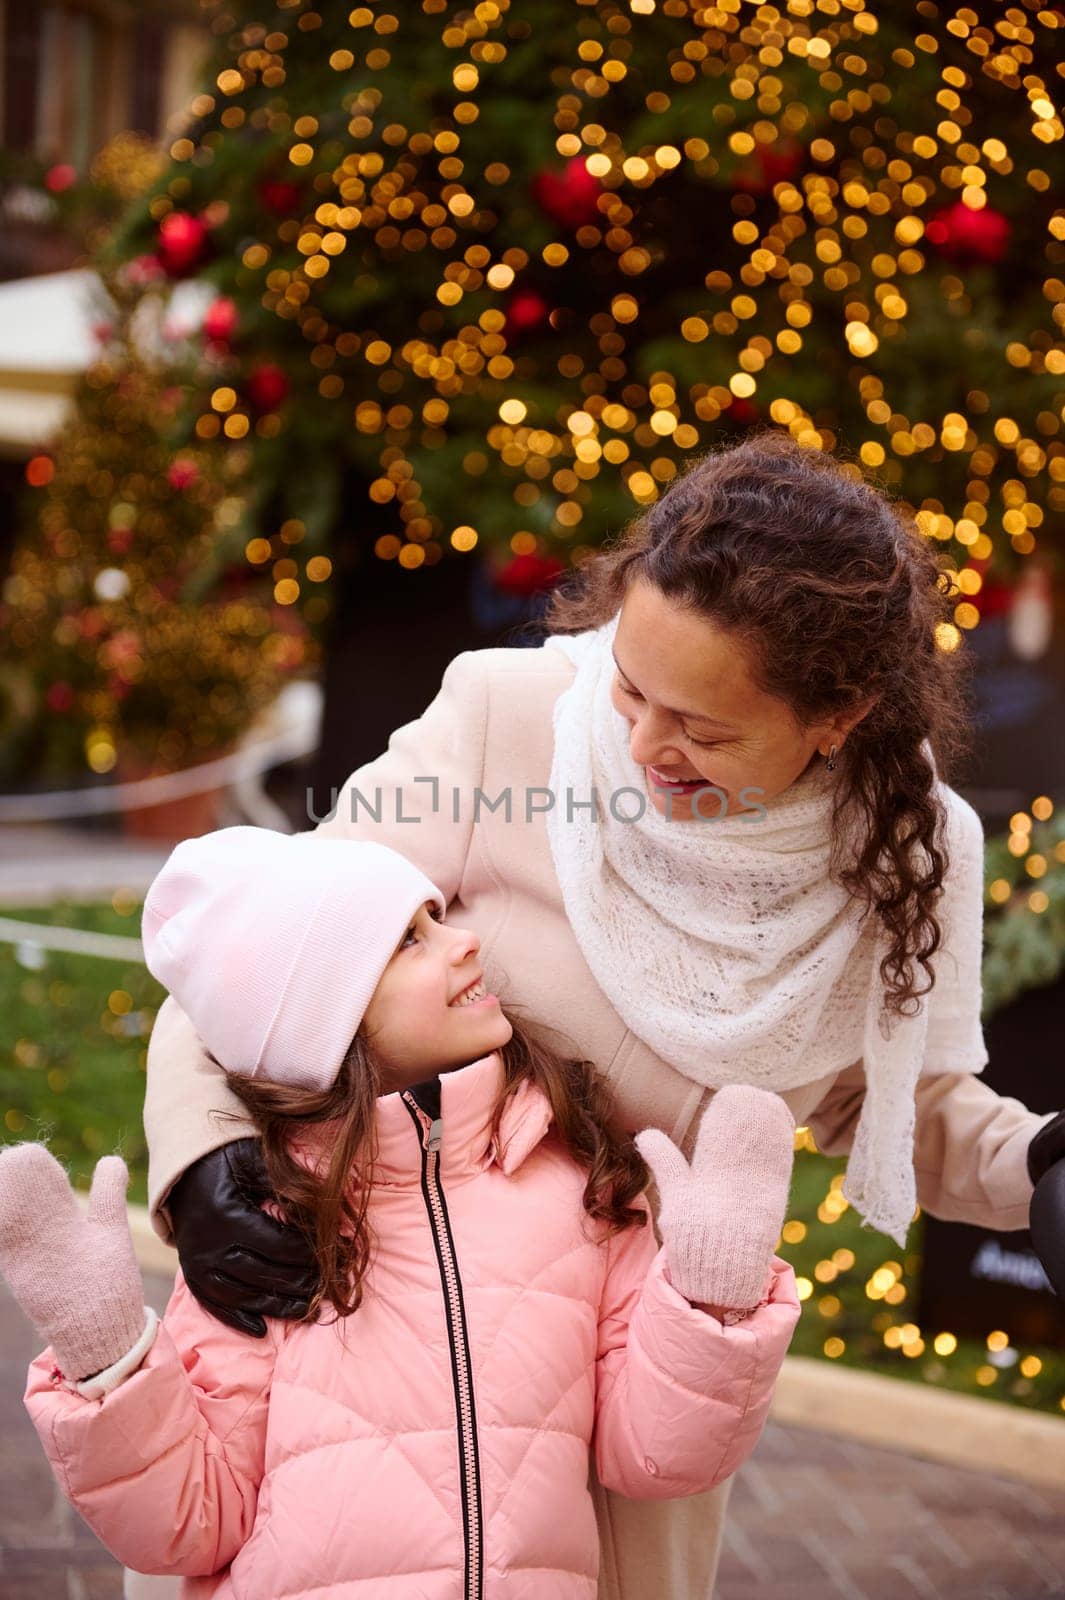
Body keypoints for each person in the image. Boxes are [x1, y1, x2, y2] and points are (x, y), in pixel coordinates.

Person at [140, 432, 1060, 1600]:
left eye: (704, 729)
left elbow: (897, 1108)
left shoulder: (909, 851)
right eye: (630, 682)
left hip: (633, 1399)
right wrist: (207, 1157)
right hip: (365, 1366)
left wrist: (1043, 1167)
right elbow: (254, 943)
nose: (638, 743)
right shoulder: (506, 720)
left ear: (840, 712)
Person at [1, 827, 800, 1599]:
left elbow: (657, 1457)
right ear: (324, 1025)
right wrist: (108, 1362)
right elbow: (188, 1523)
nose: (463, 942)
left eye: (435, 918)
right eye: (409, 942)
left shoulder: (579, 1186)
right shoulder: (263, 1230)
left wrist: (709, 1298)